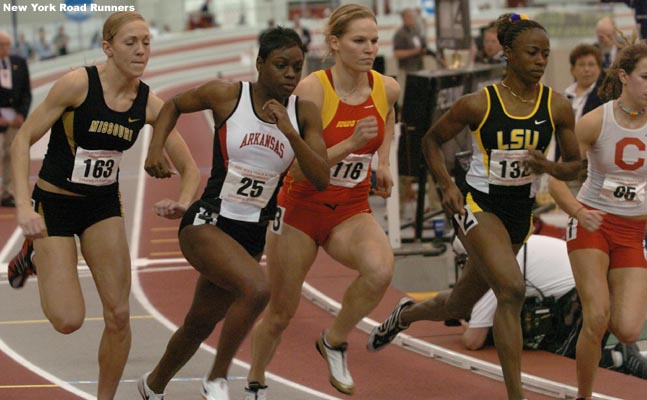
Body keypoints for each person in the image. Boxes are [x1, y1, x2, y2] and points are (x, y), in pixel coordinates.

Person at [369, 13, 581, 400]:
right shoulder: (479, 103)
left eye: (545, 54)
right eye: (532, 52)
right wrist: (447, 185)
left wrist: (546, 166)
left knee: (460, 301)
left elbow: (575, 165)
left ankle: (405, 314)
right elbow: (431, 141)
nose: (540, 60)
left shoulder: (558, 107)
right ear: (508, 54)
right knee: (512, 290)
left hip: (520, 213)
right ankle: (515, 394)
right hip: (478, 206)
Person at [7, 12, 200, 399]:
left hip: (102, 207)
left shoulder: (148, 103)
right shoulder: (78, 84)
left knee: (119, 315)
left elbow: (190, 168)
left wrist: (182, 202)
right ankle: (36, 255)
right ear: (108, 48)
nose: (141, 50)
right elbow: (22, 138)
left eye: (146, 41)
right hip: (54, 206)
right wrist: (24, 210)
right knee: (68, 320)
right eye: (131, 42)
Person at [137, 26, 329, 400]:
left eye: (297, 67)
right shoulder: (228, 95)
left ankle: (152, 386)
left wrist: (290, 132)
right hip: (208, 221)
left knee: (200, 323)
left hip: (251, 232)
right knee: (257, 290)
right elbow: (173, 104)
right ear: (260, 64)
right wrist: (154, 149)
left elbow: (320, 177)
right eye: (281, 65)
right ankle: (217, 378)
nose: (291, 74)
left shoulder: (303, 113)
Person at [245, 4, 400, 398]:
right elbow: (296, 169)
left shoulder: (387, 86)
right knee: (281, 313)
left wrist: (382, 162)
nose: (369, 49)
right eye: (359, 41)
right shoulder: (313, 90)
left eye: (374, 41)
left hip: (349, 210)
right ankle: (255, 382)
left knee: (380, 270)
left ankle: (333, 340)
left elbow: (387, 117)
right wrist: (350, 144)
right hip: (299, 210)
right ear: (335, 43)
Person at [547, 41, 647, 400]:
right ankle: (583, 396)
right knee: (598, 316)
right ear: (624, 76)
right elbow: (555, 178)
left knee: (629, 329)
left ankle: (590, 298)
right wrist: (577, 211)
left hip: (634, 232)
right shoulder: (595, 121)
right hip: (593, 224)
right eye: (646, 77)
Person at [0, 31, 31, 208]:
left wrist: (21, 114)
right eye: (2, 45)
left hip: (14, 118)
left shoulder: (19, 63)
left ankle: (7, 193)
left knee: (10, 156)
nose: (5, 48)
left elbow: (26, 92)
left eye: (7, 44)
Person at [564, 44, 604, 122]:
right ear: (572, 70)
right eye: (581, 65)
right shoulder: (566, 95)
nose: (586, 69)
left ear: (599, 69)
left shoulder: (604, 96)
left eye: (591, 64)